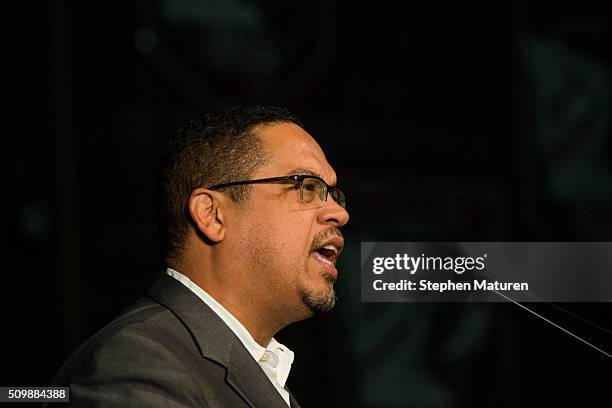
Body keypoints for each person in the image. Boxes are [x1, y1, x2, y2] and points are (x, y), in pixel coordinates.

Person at [47, 106, 350, 407]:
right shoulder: (139, 363)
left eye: (335, 195)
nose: (340, 213)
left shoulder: (251, 371)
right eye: (306, 187)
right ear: (212, 215)